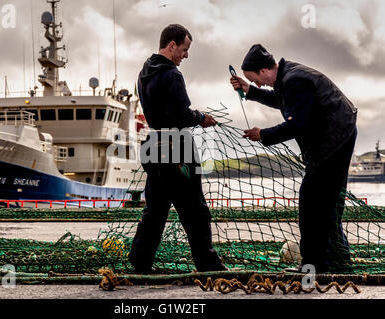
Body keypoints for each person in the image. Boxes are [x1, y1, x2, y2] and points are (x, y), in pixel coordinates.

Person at [230, 44, 357, 273]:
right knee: (329, 206)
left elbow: (297, 124)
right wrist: (249, 90)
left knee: (311, 204)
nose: (258, 84)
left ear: (264, 70)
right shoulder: (289, 76)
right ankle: (340, 261)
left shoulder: (294, 80)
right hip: (339, 135)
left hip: (333, 141)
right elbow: (283, 100)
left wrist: (263, 134)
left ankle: (314, 265)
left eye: (255, 79)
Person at [128, 24, 227, 274]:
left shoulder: (143, 73)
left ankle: (140, 262)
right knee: (196, 210)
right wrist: (201, 116)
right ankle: (208, 265)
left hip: (154, 145)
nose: (186, 55)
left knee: (156, 210)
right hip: (177, 148)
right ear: (172, 45)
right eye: (184, 49)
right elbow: (181, 115)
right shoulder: (172, 74)